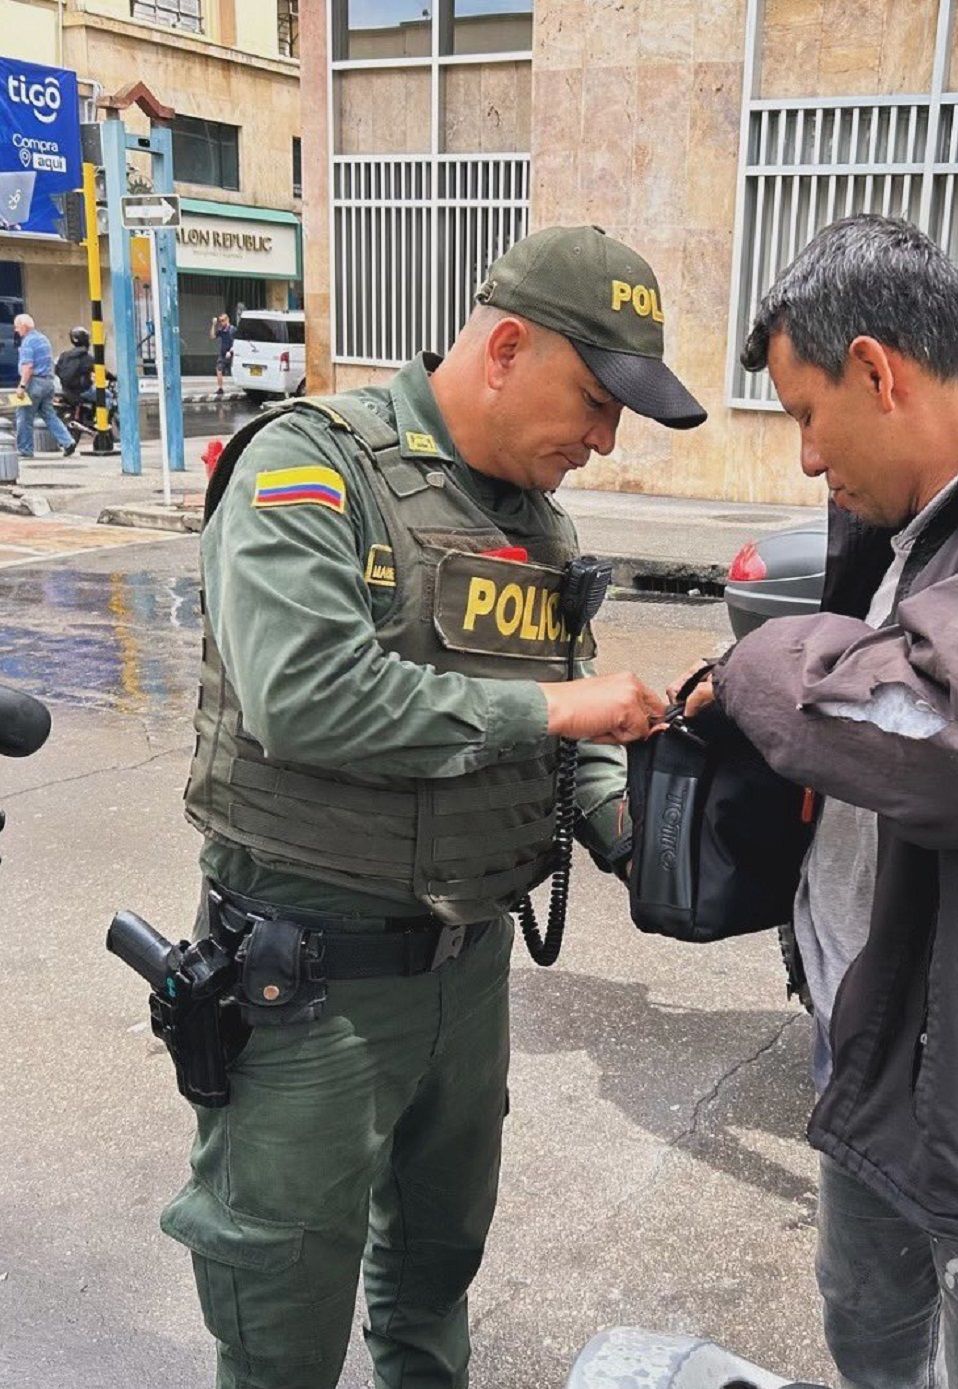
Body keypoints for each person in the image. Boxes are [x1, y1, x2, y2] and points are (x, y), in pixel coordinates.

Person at [162, 224, 706, 1389]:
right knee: (280, 1319)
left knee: (432, 1285)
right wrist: (558, 711)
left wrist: (642, 836)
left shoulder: (534, 522)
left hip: (466, 972)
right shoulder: (310, 466)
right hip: (308, 983)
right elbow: (305, 696)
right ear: (504, 349)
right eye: (595, 401)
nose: (605, 441)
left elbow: (570, 728)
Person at [687, 214, 958, 1388]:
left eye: (806, 415)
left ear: (875, 369)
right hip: (868, 1048)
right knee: (867, 1342)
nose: (806, 459)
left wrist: (756, 664)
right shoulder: (899, 523)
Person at [13, 313, 75, 459]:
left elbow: (28, 366)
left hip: (34, 383)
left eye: (17, 327)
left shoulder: (28, 342)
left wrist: (22, 386)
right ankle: (68, 441)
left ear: (24, 326)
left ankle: (25, 449)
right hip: (48, 382)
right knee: (49, 414)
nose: (16, 330)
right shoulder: (43, 339)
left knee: (24, 416)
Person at [210, 310, 235, 395]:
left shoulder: (232, 330)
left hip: (232, 354)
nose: (221, 323)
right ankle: (220, 388)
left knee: (235, 371)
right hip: (223, 354)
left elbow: (236, 342)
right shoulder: (222, 330)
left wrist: (230, 351)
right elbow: (212, 336)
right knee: (219, 369)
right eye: (220, 321)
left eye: (223, 320)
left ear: (227, 320)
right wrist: (214, 325)